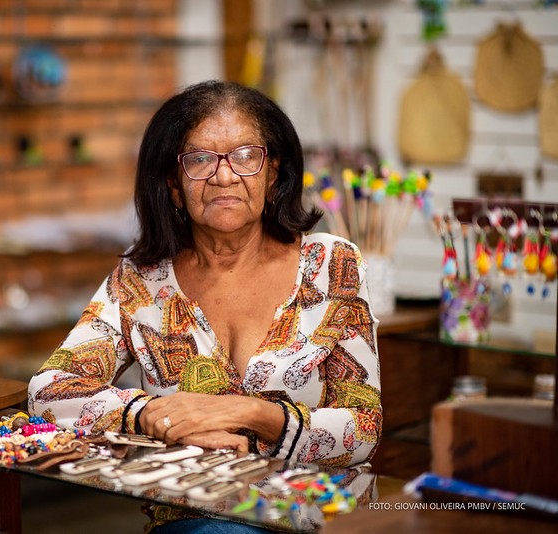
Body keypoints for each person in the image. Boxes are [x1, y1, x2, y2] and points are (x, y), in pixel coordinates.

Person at [27, 80, 382, 532]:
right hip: (193, 517)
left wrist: (250, 414)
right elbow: (47, 390)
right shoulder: (143, 279)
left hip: (316, 519)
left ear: (274, 172)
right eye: (199, 159)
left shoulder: (332, 265)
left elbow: (364, 429)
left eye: (246, 155)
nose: (224, 175)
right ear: (174, 185)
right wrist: (149, 414)